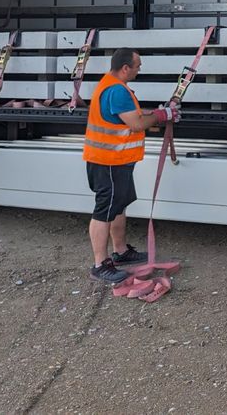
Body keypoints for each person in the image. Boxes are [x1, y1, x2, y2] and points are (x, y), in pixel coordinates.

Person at [83, 48, 180, 284]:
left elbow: (129, 116)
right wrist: (161, 115)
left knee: (118, 205)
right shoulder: (116, 90)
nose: (139, 70)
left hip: (116, 160)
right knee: (104, 210)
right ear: (125, 68)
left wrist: (157, 113)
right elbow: (136, 124)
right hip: (108, 161)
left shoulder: (112, 85)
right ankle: (100, 264)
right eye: (137, 66)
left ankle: (121, 251)